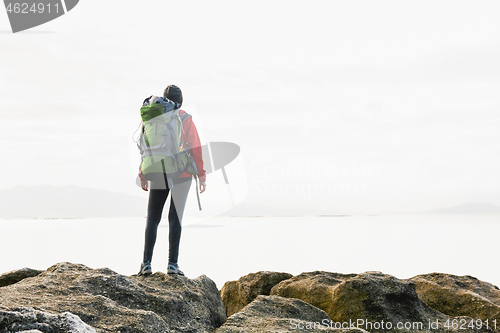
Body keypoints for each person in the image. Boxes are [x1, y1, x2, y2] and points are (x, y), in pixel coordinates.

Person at [137, 85, 206, 276]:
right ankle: (172, 265)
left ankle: (146, 264)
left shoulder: (154, 117)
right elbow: (196, 148)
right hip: (182, 174)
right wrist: (201, 175)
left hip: (157, 170)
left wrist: (142, 174)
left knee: (152, 218)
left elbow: (145, 148)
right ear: (181, 100)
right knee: (175, 218)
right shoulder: (185, 118)